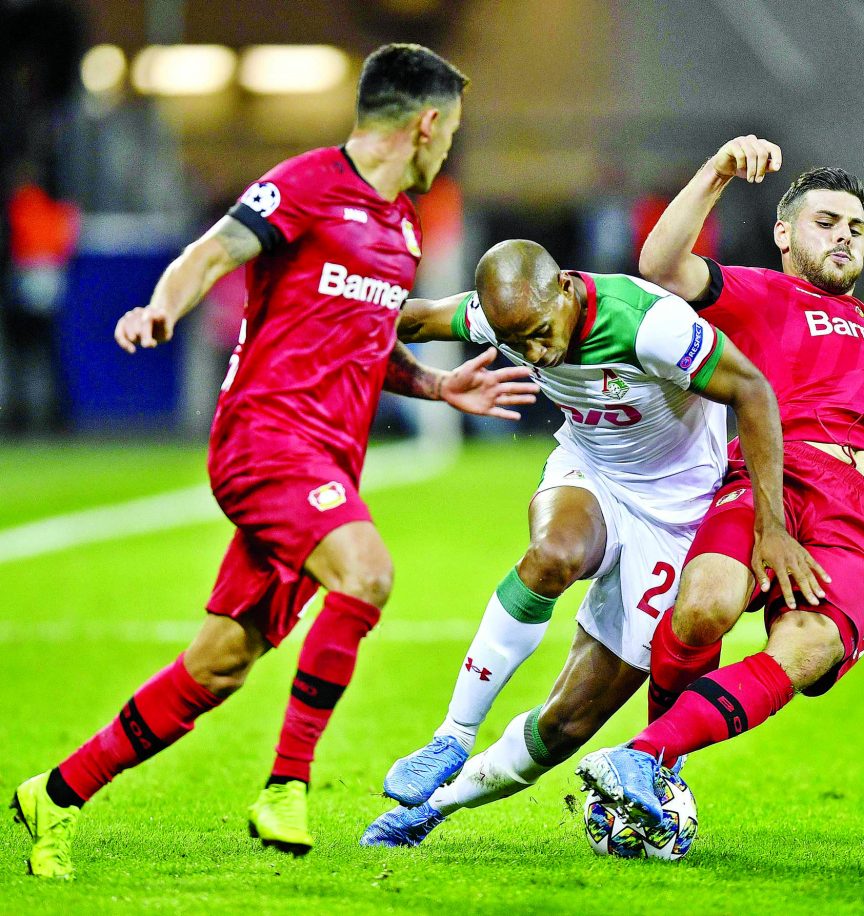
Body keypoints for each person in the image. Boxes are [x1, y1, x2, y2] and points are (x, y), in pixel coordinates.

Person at [10, 43, 541, 880]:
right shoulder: (305, 184)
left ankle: (58, 793)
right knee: (365, 574)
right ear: (426, 123)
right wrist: (162, 306)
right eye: (451, 132)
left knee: (217, 665)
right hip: (265, 439)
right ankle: (287, 784)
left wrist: (437, 389)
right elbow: (211, 252)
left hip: (327, 462)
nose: (449, 150)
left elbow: (365, 342)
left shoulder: (399, 224)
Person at [360, 237, 820, 847]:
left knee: (567, 724)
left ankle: (431, 810)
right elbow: (409, 320)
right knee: (553, 554)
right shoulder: (505, 315)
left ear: (567, 290)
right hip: (592, 473)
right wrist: (309, 328)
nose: (534, 354)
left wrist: (770, 525)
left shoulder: (649, 324)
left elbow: (754, 391)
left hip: (676, 516)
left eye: (540, 333)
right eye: (516, 343)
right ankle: (452, 735)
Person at [576, 136, 864, 829]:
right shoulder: (761, 291)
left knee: (810, 646)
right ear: (783, 234)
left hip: (859, 512)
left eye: (852, 227)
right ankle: (654, 773)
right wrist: (715, 172)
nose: (843, 237)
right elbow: (659, 267)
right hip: (773, 477)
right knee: (703, 606)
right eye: (825, 222)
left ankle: (642, 762)